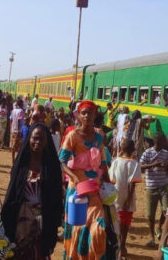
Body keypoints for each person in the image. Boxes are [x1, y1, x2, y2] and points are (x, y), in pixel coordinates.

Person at [1, 123, 63, 259]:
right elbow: (12, 193)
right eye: (35, 138)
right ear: (29, 139)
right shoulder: (21, 163)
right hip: (20, 223)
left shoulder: (52, 166)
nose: (38, 142)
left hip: (42, 225)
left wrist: (54, 224)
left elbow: (57, 197)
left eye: (41, 139)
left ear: (47, 142)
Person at [59, 100, 112, 260]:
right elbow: (62, 161)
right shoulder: (72, 136)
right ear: (79, 116)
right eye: (84, 113)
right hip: (77, 192)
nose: (87, 116)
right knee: (77, 228)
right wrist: (73, 176)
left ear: (95, 115)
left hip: (94, 190)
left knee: (98, 229)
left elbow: (103, 163)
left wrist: (107, 182)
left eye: (90, 112)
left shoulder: (98, 137)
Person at [109, 138, 143, 259]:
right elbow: (132, 184)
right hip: (127, 196)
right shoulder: (135, 164)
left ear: (121, 149)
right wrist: (129, 198)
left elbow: (111, 179)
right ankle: (122, 246)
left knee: (117, 221)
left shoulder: (116, 161)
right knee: (126, 223)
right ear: (134, 150)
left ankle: (119, 246)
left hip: (116, 195)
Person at [140, 131, 168, 247]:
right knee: (149, 215)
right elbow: (140, 166)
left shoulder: (166, 153)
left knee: (166, 210)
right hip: (151, 186)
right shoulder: (147, 153)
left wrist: (166, 166)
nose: (165, 143)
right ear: (157, 142)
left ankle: (159, 227)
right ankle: (151, 238)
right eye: (163, 141)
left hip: (163, 186)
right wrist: (153, 164)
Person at [10, 99, 25, 163]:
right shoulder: (21, 111)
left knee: (13, 146)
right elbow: (19, 120)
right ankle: (17, 160)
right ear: (21, 104)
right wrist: (19, 130)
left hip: (13, 130)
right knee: (19, 146)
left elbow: (10, 119)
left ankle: (13, 159)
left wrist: (12, 127)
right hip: (18, 130)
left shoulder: (13, 111)